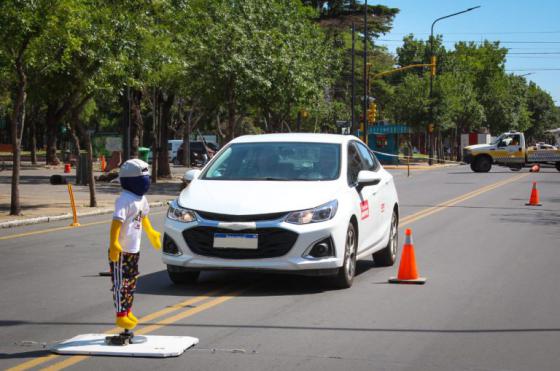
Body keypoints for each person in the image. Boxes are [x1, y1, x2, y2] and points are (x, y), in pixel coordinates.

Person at [109, 159, 161, 330]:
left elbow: (143, 217)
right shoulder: (124, 199)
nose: (147, 181)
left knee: (131, 282)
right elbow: (116, 222)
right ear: (132, 180)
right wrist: (114, 243)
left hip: (134, 249)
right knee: (119, 284)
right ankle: (120, 315)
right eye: (143, 177)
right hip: (121, 250)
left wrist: (151, 233)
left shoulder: (141, 199)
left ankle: (127, 310)